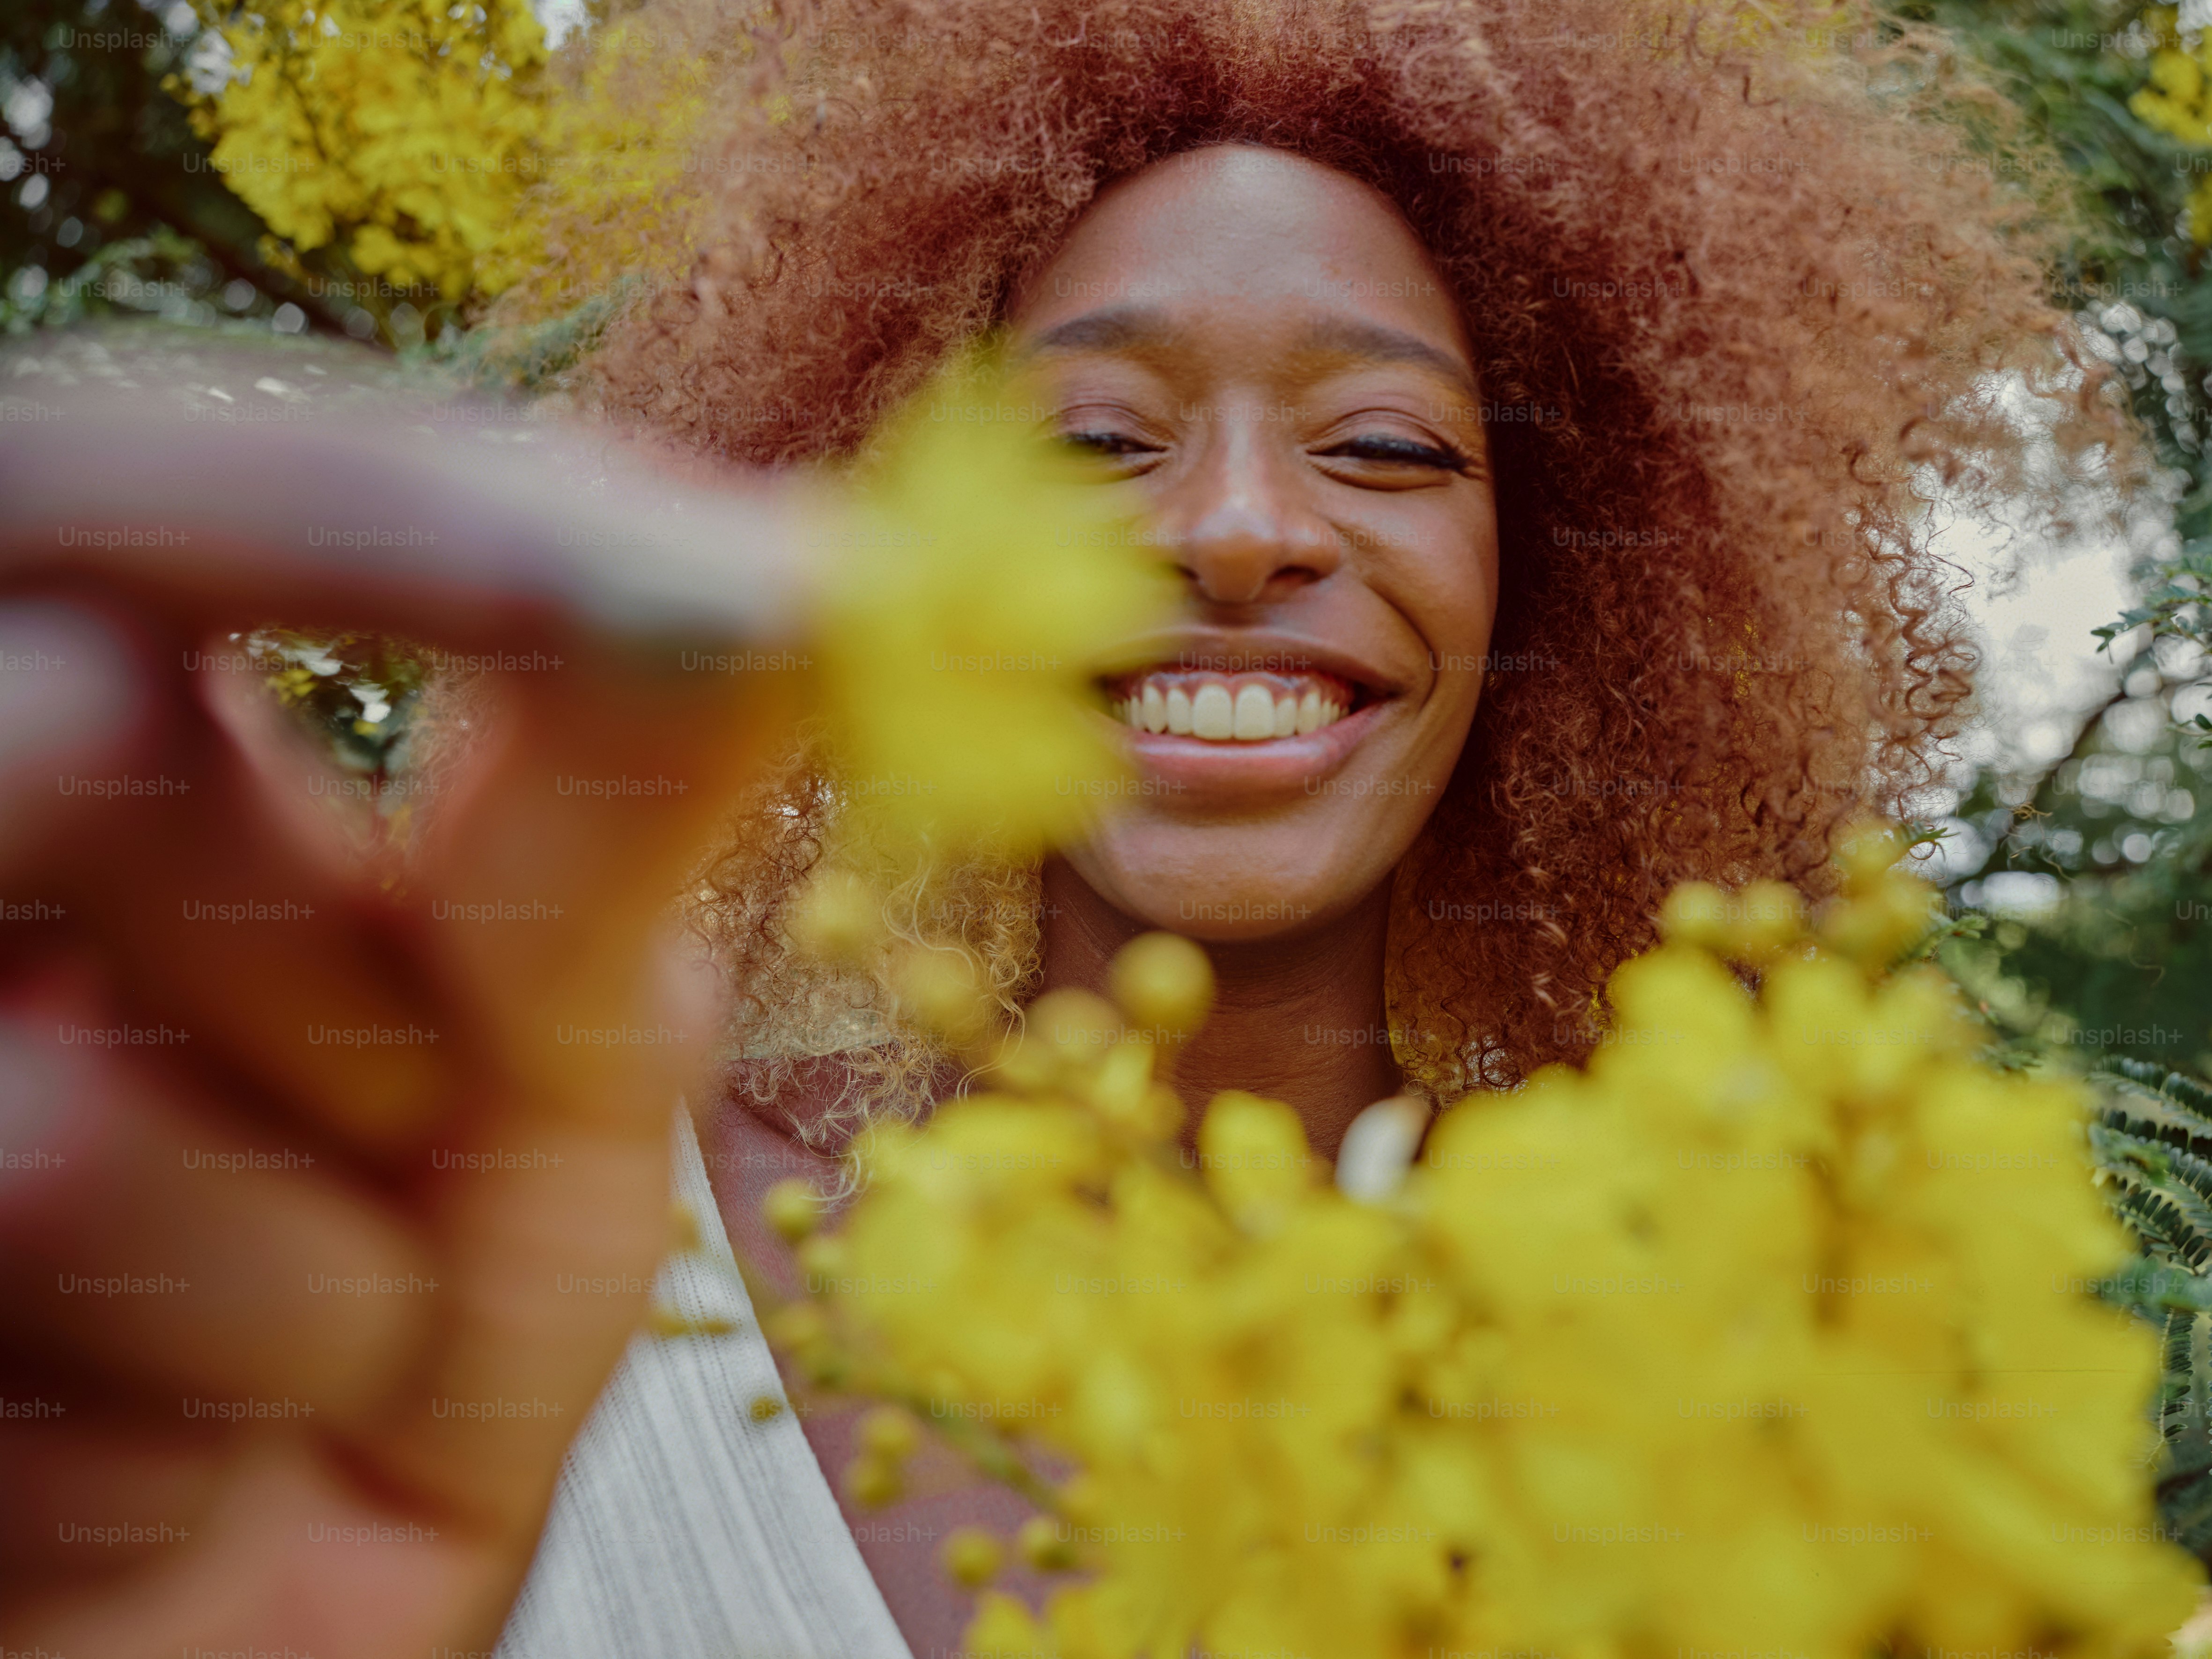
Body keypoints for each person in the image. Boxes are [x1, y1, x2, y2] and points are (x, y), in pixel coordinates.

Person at [0, 1, 2125, 1656]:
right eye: (1095, 439)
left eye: (1384, 447)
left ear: (1559, 586)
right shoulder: (490, 1265)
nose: (1234, 530)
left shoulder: (1757, 1367)